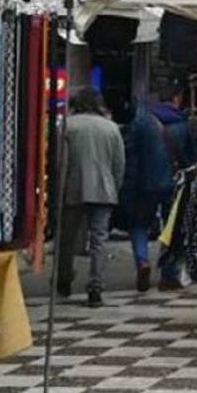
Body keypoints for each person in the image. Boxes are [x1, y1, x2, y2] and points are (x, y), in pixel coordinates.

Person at [122, 82, 197, 291]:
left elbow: (131, 157)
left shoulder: (143, 123)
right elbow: (191, 160)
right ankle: (168, 273)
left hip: (145, 184)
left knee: (139, 225)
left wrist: (129, 186)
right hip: (174, 185)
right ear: (177, 99)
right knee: (172, 228)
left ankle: (142, 260)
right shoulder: (184, 125)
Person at [60, 88, 125, 308]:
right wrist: (114, 186)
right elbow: (119, 164)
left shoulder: (68, 126)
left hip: (74, 188)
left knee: (67, 237)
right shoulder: (112, 128)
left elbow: (61, 161)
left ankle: (64, 278)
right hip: (104, 189)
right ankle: (95, 287)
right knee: (99, 239)